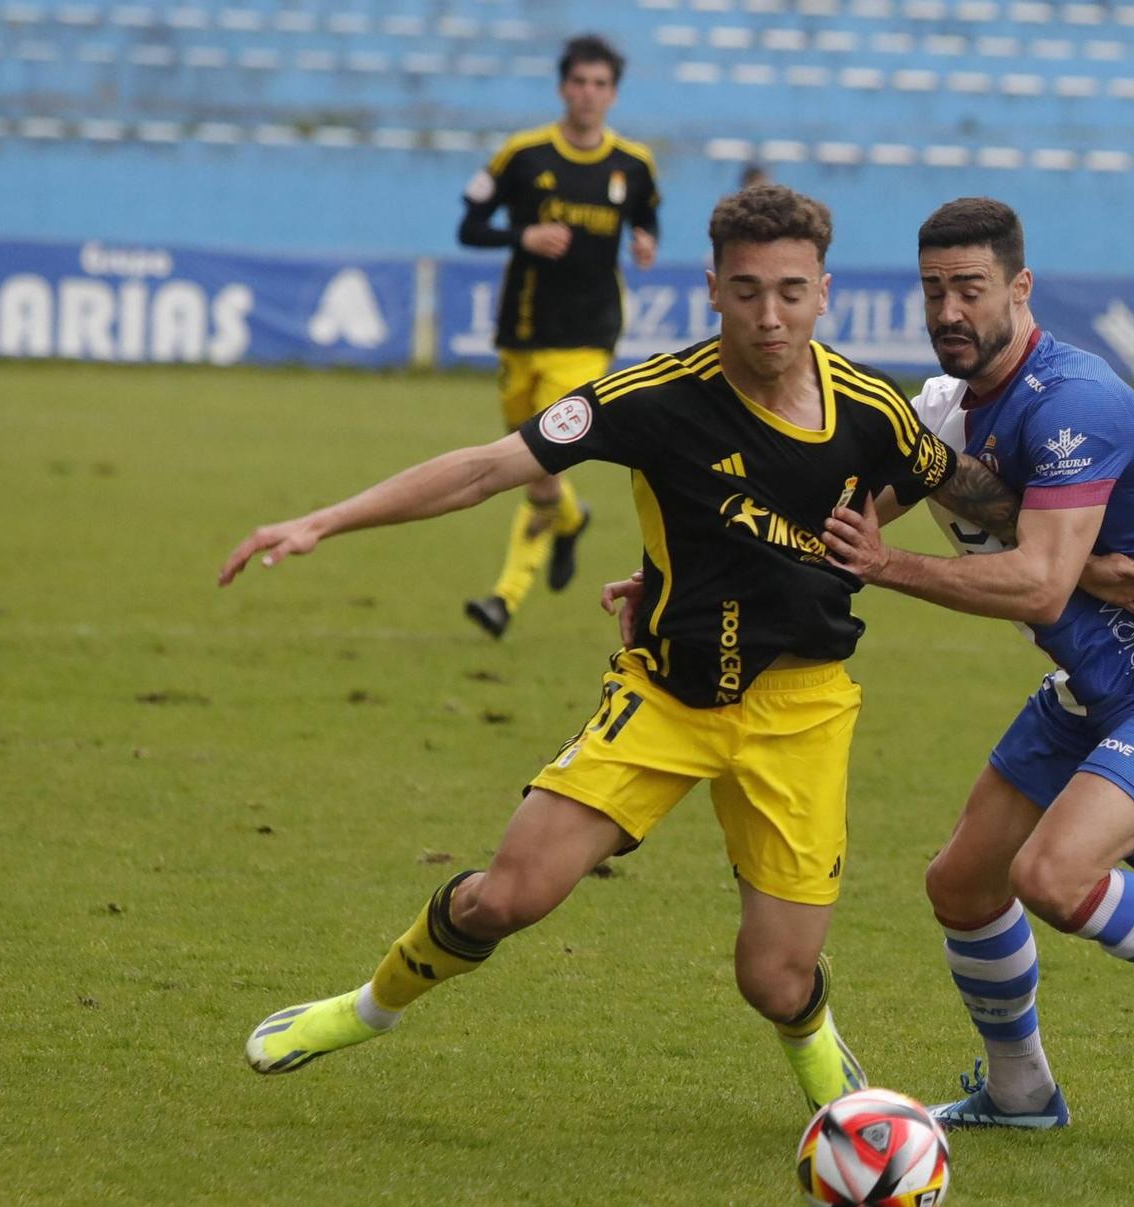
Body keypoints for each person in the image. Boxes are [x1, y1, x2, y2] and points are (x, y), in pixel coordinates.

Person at [218, 185, 1020, 1110]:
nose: (771, 315)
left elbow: (970, 489)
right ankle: (367, 1007)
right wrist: (325, 520)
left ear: (825, 292)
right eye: (749, 289)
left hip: (802, 711)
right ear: (711, 287)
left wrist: (1093, 553)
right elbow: (487, 468)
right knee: (505, 897)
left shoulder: (871, 407)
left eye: (792, 291)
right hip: (669, 697)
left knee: (773, 981)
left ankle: (811, 1037)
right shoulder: (656, 396)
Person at [819, 197, 1134, 1137]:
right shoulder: (943, 414)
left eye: (970, 288)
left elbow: (1041, 587)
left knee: (1051, 874)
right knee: (963, 882)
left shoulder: (1074, 400)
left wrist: (886, 567)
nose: (949, 312)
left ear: (1020, 288)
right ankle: (1021, 1091)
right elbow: (840, 519)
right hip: (1097, 683)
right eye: (933, 292)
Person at [456, 34, 661, 640]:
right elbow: (468, 226)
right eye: (579, 82)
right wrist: (524, 236)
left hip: (587, 338)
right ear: (562, 87)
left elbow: (646, 218)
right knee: (531, 466)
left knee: (536, 460)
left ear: (613, 94)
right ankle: (571, 520)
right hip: (520, 333)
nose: (588, 94)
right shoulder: (522, 155)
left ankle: (504, 597)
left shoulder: (634, 165)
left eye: (600, 84)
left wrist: (645, 242)